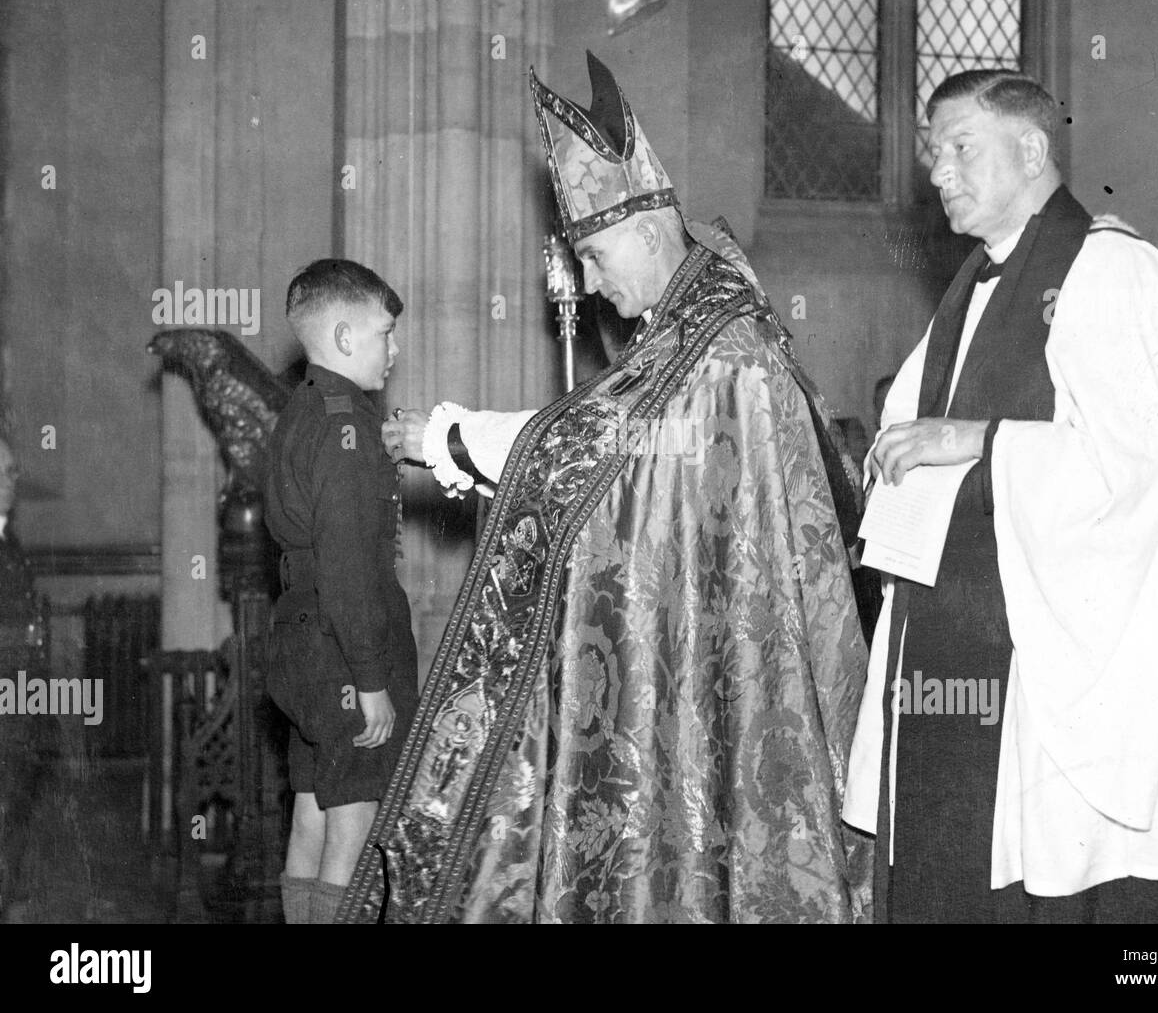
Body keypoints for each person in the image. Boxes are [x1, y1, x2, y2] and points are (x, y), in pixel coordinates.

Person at [339, 52, 870, 923]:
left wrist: (451, 435)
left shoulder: (717, 344)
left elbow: (607, 447)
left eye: (591, 253)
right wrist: (462, 440)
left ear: (649, 227)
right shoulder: (700, 322)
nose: (588, 284)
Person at [843, 69, 1158, 923]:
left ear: (1032, 148)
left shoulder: (1113, 270)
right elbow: (904, 434)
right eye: (934, 153)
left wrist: (980, 439)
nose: (938, 172)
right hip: (954, 647)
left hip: (1052, 665)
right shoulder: (972, 285)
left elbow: (1141, 474)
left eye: (961, 147)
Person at [264, 259, 419, 924]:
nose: (395, 348)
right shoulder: (346, 430)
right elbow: (351, 569)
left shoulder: (307, 410)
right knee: (352, 835)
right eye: (386, 333)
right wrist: (372, 677)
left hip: (301, 643)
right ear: (347, 337)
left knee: (312, 816)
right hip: (343, 651)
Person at [0, 434, 54, 921]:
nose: (11, 481)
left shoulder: (8, 541)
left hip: (19, 706)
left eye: (12, 472)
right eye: (3, 472)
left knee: (13, 806)